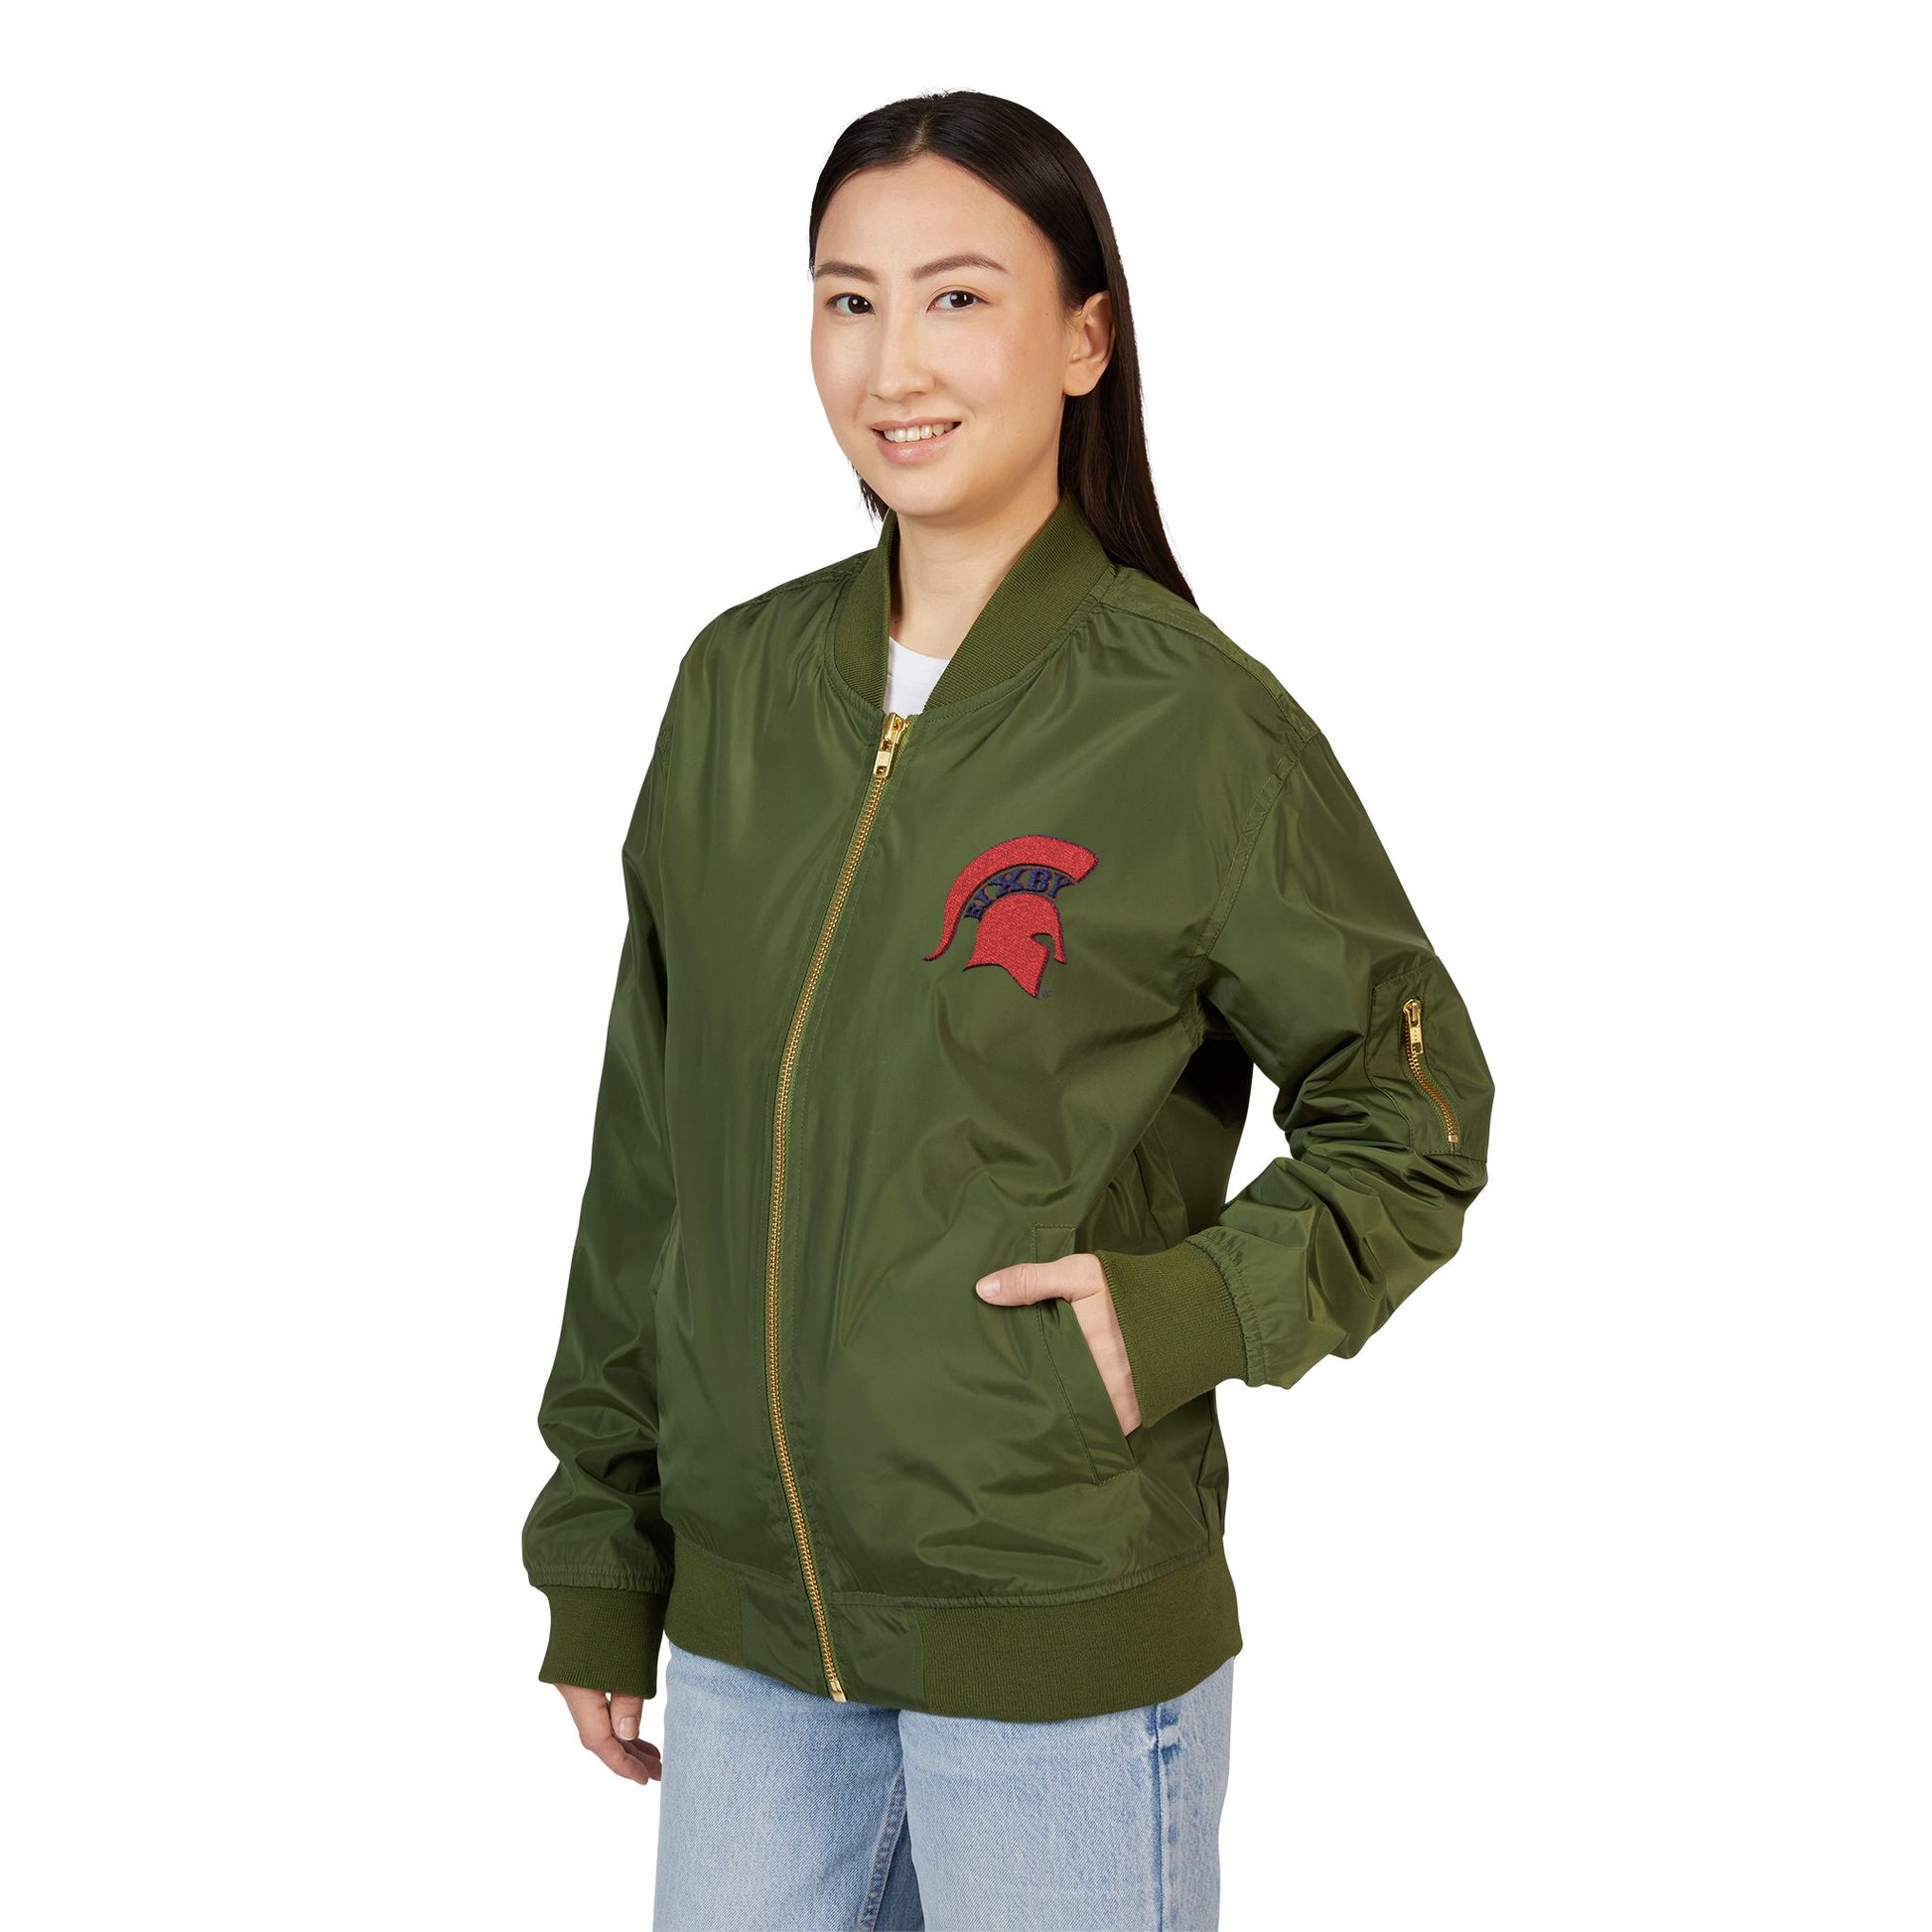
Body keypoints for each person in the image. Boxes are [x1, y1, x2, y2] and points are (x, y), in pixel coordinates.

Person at [521, 89, 1495, 1930]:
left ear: (1082, 340)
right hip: (749, 1638)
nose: (894, 363)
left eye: (958, 298)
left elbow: (1415, 1105)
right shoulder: (734, 689)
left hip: (1053, 1634)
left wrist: (1182, 1310)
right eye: (848, 300)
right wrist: (600, 1541)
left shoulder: (1188, 723)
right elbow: (651, 1151)